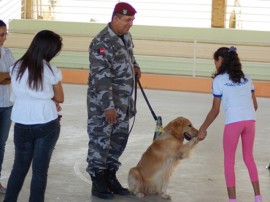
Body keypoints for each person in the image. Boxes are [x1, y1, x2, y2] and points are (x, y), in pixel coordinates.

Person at [86, 2, 141, 200]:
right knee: (101, 141)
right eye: (127, 20)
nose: (130, 24)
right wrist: (108, 106)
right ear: (115, 18)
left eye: (132, 20)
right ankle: (97, 179)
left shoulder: (125, 36)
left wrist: (135, 66)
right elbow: (101, 78)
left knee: (118, 141)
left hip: (124, 102)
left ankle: (110, 175)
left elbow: (129, 57)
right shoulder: (101, 42)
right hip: (104, 104)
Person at [3, 30, 64, 202]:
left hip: (22, 123)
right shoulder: (51, 69)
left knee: (19, 168)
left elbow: (17, 94)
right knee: (39, 171)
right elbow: (60, 98)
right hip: (46, 123)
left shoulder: (16, 67)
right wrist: (49, 97)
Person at [197, 47, 262, 202]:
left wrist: (202, 129)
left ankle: (232, 200)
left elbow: (215, 109)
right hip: (250, 121)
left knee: (229, 161)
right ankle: (258, 197)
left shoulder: (218, 80)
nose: (215, 64)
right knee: (249, 158)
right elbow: (255, 105)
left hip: (234, 122)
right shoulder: (247, 78)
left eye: (215, 61)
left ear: (220, 60)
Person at [0, 20, 15, 194]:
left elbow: (14, 75)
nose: (4, 38)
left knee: (1, 145)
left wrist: (4, 77)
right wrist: (6, 76)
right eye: (0, 34)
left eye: (5, 34)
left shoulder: (7, 53)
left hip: (6, 105)